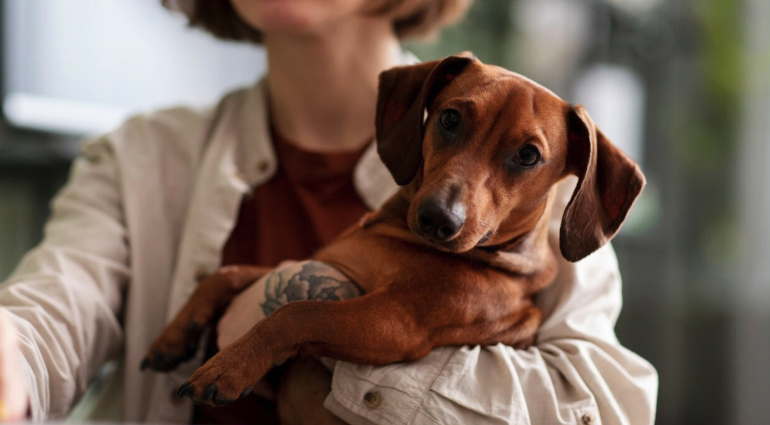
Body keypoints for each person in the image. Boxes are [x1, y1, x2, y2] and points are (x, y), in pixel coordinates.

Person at [0, 0, 658, 423]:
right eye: (452, 124)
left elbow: (604, 408)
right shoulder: (140, 156)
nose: (464, 180)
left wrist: (281, 324)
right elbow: (50, 314)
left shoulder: (557, 239)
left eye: (519, 159)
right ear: (429, 111)